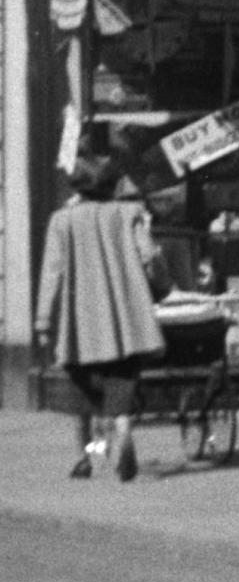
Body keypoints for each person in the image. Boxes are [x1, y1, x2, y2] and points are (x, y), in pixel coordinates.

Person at [34, 142, 166, 482]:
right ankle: (122, 429)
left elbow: (53, 272)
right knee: (122, 380)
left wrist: (44, 321)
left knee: (81, 393)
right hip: (126, 320)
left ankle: (85, 458)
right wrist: (162, 286)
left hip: (80, 326)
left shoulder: (61, 221)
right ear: (111, 186)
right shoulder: (128, 214)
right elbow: (150, 257)